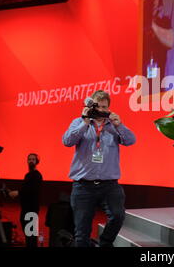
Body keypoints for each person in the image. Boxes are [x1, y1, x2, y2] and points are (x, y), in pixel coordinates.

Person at [62, 90, 136, 247]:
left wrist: (120, 125)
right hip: (83, 185)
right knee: (81, 233)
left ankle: (105, 243)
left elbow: (131, 140)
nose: (102, 110)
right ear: (91, 106)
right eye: (98, 106)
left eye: (105, 107)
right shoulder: (79, 122)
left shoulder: (113, 125)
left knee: (118, 216)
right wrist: (84, 122)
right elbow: (67, 141)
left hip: (109, 185)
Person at [9, 153, 43, 247]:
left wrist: (18, 193)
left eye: (33, 159)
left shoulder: (37, 175)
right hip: (26, 208)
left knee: (31, 234)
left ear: (37, 162)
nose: (31, 161)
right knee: (28, 233)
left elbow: (32, 190)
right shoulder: (28, 175)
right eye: (29, 159)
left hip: (31, 208)